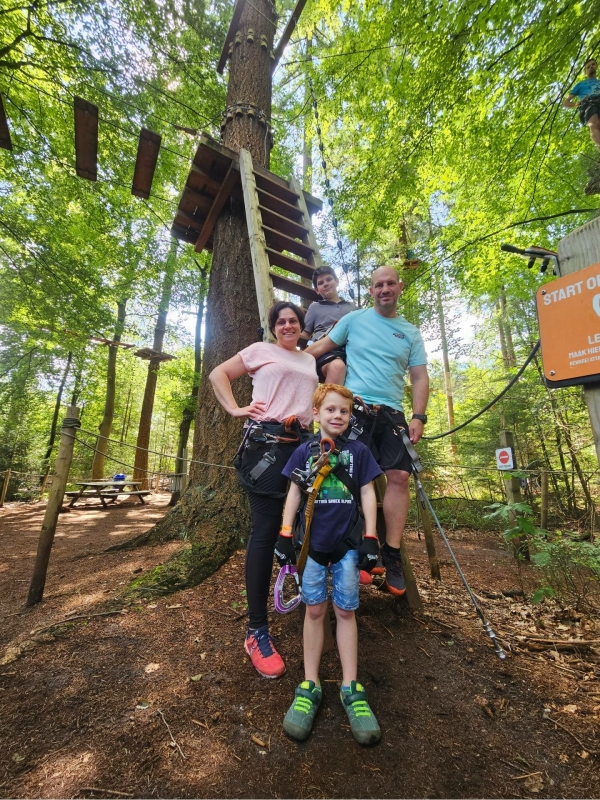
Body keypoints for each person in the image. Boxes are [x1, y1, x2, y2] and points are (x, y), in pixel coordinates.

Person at [209, 301, 318, 679]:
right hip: (267, 450)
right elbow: (218, 374)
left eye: (294, 321)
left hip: (303, 447)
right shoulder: (260, 351)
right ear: (273, 327)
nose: (287, 326)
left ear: (302, 327)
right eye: (281, 321)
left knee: (304, 527)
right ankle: (256, 630)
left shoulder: (309, 361)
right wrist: (236, 409)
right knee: (265, 531)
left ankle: (307, 599)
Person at [306, 266, 429, 597]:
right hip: (355, 409)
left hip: (392, 414)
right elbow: (320, 348)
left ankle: (391, 552)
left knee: (399, 477)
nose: (385, 288)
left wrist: (419, 416)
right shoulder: (354, 319)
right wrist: (284, 358)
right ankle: (353, 543)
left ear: (399, 288)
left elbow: (419, 377)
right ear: (371, 290)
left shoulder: (410, 332)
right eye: (379, 284)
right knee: (347, 476)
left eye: (390, 283)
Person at [275, 384, 383, 745]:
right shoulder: (304, 452)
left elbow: (368, 493)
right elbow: (293, 493)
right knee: (315, 611)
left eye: (345, 411)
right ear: (317, 413)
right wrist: (285, 534)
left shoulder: (359, 452)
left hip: (348, 547)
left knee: (347, 610)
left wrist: (371, 537)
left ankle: (352, 687)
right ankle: (310, 685)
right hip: (312, 548)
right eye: (331, 410)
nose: (338, 416)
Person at [298, 265, 356, 383]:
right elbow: (306, 333)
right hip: (325, 351)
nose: (325, 284)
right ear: (317, 290)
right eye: (320, 283)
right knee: (337, 366)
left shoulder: (352, 307)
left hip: (350, 351)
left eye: (329, 279)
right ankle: (329, 400)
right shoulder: (315, 307)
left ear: (337, 281)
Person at [563, 58, 600, 150]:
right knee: (594, 124)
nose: (591, 67)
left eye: (593, 65)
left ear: (596, 66)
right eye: (588, 67)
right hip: (588, 103)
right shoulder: (580, 85)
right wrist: (577, 104)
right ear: (585, 72)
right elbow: (566, 103)